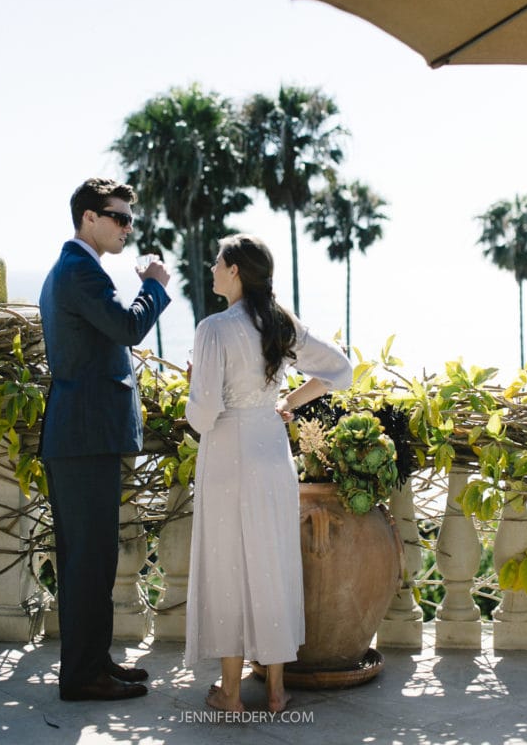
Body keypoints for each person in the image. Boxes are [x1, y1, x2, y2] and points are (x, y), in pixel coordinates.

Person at [184, 233, 352, 713]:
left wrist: (196, 383)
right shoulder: (280, 323)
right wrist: (288, 401)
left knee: (227, 561)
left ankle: (231, 692)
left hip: (226, 450)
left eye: (218, 261)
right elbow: (341, 368)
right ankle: (277, 690)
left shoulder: (213, 328)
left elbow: (204, 412)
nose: (212, 267)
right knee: (271, 557)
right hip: (270, 448)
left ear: (235, 270)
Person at [39, 177, 171, 702]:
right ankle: (82, 676)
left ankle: (92, 663)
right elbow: (127, 327)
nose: (127, 228)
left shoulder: (76, 269)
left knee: (88, 560)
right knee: (89, 561)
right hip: (84, 436)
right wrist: (156, 285)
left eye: (129, 219)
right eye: (118, 217)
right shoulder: (78, 270)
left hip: (80, 435)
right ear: (88, 218)